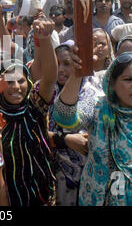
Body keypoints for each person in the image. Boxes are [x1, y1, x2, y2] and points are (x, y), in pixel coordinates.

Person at [53, 50, 132, 206]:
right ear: (112, 83)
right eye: (128, 79)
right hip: (97, 199)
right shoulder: (99, 107)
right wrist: (77, 75)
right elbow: (64, 117)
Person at [0, 17, 59, 206]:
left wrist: (44, 39)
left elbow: (50, 75)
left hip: (40, 187)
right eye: (8, 81)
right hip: (7, 193)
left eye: (20, 80)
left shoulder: (35, 104)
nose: (16, 87)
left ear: (28, 82)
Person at [48, 42, 103, 206]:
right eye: (56, 64)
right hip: (50, 172)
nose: (61, 70)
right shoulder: (43, 90)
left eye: (67, 64)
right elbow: (34, 132)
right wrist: (64, 140)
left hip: (87, 174)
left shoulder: (94, 94)